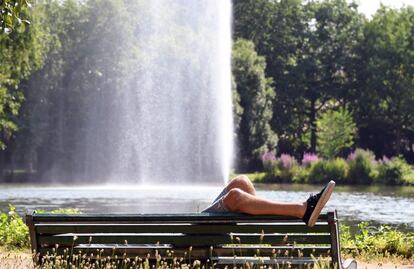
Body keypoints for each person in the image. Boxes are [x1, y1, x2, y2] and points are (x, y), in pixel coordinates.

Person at [202, 175, 335, 227]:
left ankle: (270, 234)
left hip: (202, 222)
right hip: (197, 232)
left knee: (242, 181)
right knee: (234, 196)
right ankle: (302, 209)